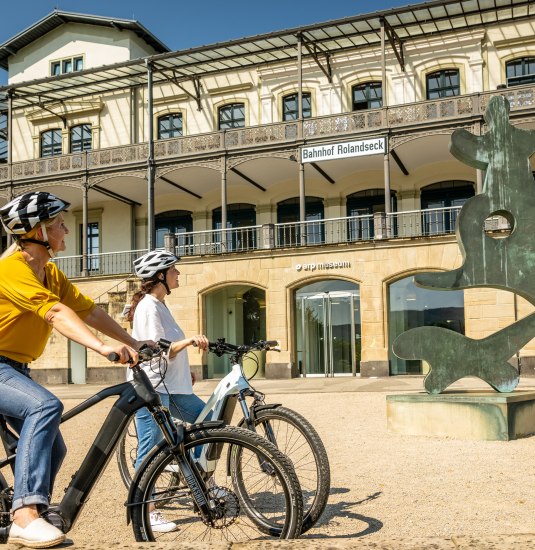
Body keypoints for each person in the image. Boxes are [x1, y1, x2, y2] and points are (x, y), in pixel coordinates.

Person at [0, 192, 151, 549]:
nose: (67, 229)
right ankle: (25, 517)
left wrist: (132, 341)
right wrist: (101, 347)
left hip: (17, 369)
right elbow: (55, 313)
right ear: (38, 231)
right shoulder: (12, 270)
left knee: (54, 449)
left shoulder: (49, 272)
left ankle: (29, 510)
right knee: (45, 407)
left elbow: (88, 311)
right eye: (58, 225)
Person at [126, 250, 208, 532]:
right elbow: (157, 348)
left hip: (172, 386)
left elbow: (168, 353)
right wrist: (190, 341)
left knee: (208, 423)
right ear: (160, 276)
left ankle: (195, 479)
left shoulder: (160, 305)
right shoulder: (148, 306)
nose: (178, 274)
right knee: (148, 449)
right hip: (151, 388)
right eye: (173, 270)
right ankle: (144, 511)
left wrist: (186, 371)